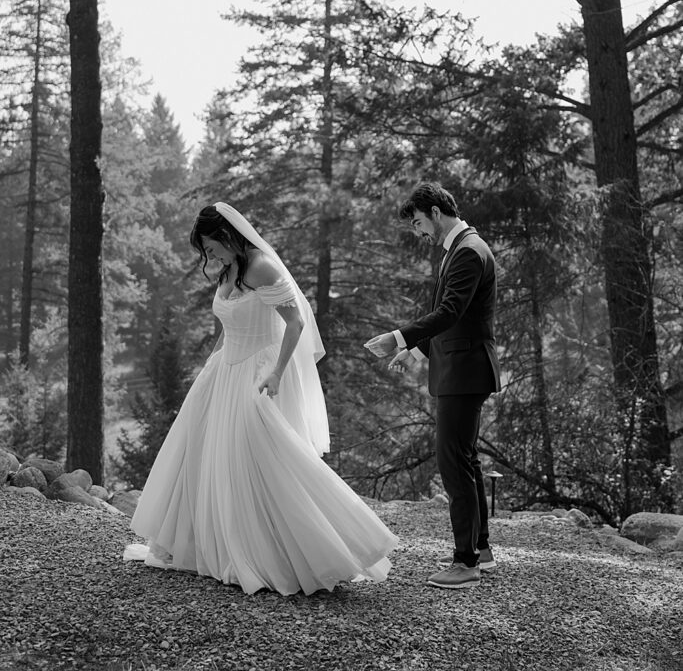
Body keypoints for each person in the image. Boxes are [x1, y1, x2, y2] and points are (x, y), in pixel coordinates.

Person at [123, 202, 397, 595]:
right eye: (206, 252)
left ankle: (320, 547)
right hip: (225, 370)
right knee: (205, 454)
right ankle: (205, 543)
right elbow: (228, 325)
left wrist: (278, 372)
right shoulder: (229, 270)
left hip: (258, 370)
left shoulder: (262, 267)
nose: (210, 257)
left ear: (228, 235)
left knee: (265, 457)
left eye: (211, 247)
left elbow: (296, 322)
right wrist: (209, 365)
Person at [365, 182, 501, 590]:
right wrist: (416, 351)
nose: (421, 233)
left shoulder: (468, 252)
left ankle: (465, 564)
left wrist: (398, 336)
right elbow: (453, 317)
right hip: (461, 369)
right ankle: (480, 551)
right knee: (466, 460)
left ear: (437, 212)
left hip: (465, 372)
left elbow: (448, 312)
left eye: (421, 223)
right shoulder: (460, 250)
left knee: (453, 462)